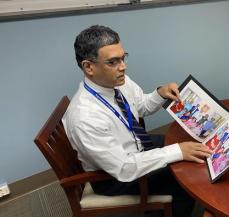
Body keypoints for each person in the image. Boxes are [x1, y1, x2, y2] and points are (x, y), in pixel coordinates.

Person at [62, 25, 212, 217]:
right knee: (186, 180)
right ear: (89, 67)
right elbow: (124, 168)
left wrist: (160, 93)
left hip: (136, 147)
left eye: (123, 58)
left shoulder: (116, 82)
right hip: (114, 176)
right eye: (113, 62)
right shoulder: (85, 117)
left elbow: (141, 106)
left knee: (189, 148)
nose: (123, 67)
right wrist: (177, 152)